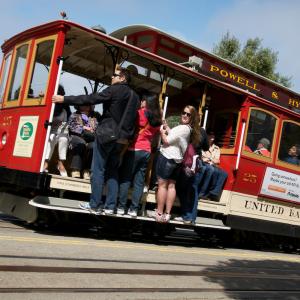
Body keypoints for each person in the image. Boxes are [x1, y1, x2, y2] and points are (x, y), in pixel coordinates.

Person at [52, 67, 140, 214]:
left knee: (97, 171)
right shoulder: (135, 97)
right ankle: (111, 207)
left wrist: (64, 99)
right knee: (112, 172)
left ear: (123, 78)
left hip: (107, 135)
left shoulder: (115, 89)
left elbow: (90, 99)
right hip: (123, 139)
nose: (111, 77)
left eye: (114, 75)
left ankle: (94, 205)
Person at [117, 93, 162, 217]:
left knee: (126, 178)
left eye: (143, 100)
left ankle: (121, 207)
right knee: (139, 181)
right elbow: (157, 138)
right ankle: (134, 209)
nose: (141, 102)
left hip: (134, 148)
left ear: (146, 102)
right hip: (146, 151)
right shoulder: (157, 118)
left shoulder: (140, 113)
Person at [153, 105, 200, 223]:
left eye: (188, 114)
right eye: (183, 113)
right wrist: (166, 126)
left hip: (167, 157)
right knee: (171, 186)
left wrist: (161, 132)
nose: (184, 115)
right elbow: (174, 136)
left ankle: (159, 213)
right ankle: (168, 214)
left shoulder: (183, 128)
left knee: (162, 185)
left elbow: (167, 140)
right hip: (177, 161)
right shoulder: (187, 129)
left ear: (192, 117)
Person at [175, 127, 209, 224]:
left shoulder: (187, 129)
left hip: (188, 162)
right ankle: (191, 217)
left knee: (183, 189)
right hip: (197, 162)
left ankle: (187, 216)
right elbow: (206, 147)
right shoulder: (202, 130)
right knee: (194, 190)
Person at [44, 85, 71, 176]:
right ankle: (46, 162)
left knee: (64, 139)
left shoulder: (65, 109)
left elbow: (65, 125)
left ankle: (61, 163)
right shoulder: (47, 104)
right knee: (52, 138)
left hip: (61, 131)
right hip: (47, 131)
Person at [68, 104, 99, 179]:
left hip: (91, 138)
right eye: (83, 104)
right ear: (79, 106)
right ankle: (75, 169)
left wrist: (93, 130)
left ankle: (87, 170)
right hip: (77, 136)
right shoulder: (74, 115)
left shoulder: (95, 117)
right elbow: (71, 127)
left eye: (87, 104)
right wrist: (83, 128)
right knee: (81, 143)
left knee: (94, 146)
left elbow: (98, 128)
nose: (86, 106)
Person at [197, 132, 228, 201]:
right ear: (206, 136)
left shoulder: (216, 148)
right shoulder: (203, 145)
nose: (212, 136)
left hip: (212, 164)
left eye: (213, 134)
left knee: (224, 173)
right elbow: (201, 157)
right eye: (210, 134)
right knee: (212, 170)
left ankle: (214, 193)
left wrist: (209, 158)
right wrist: (211, 159)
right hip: (204, 163)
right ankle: (202, 193)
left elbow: (217, 161)